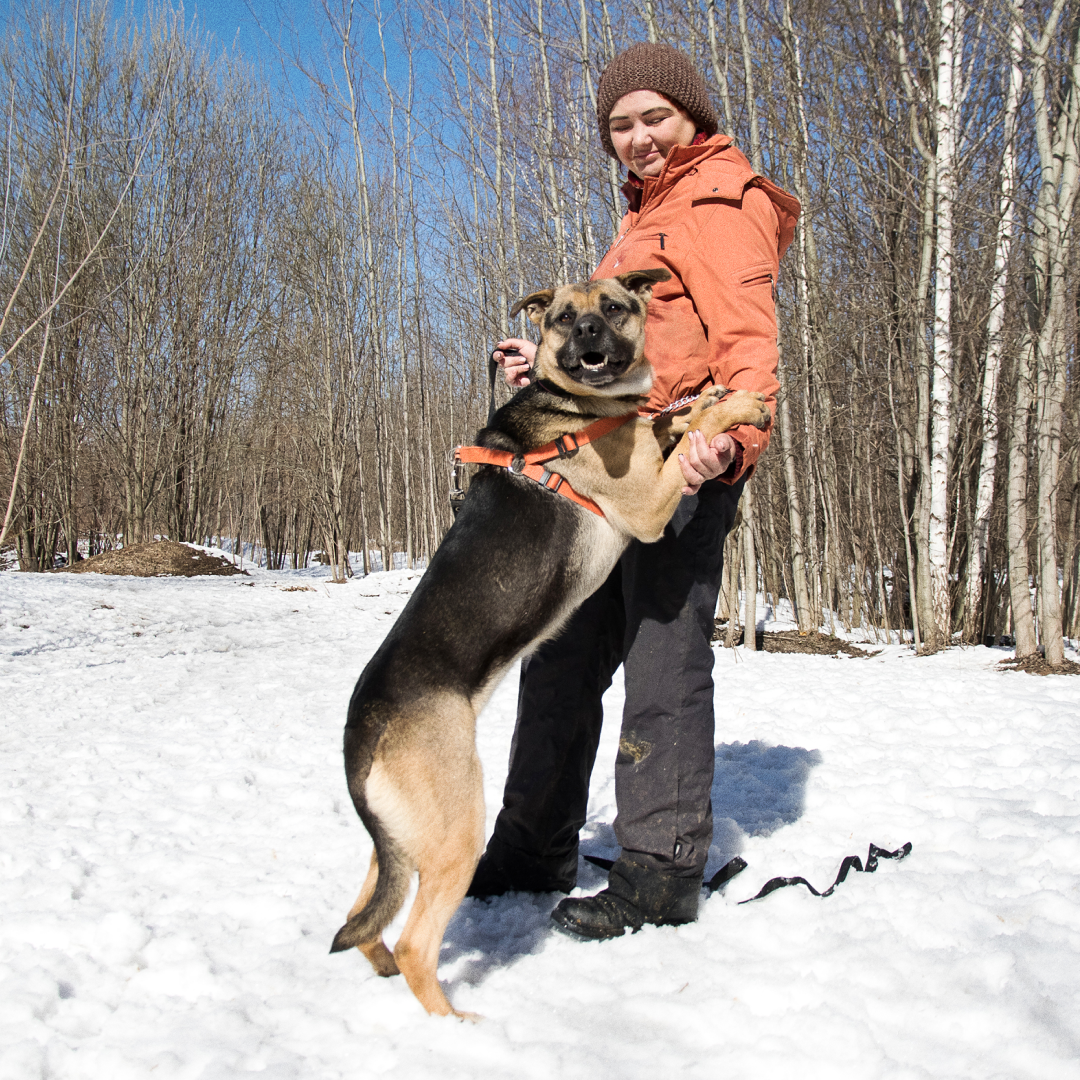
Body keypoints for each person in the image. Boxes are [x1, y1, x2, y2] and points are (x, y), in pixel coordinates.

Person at [469, 42, 800, 939]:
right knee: (563, 654)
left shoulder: (723, 200)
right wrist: (547, 372)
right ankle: (532, 845)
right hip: (611, 466)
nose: (639, 138)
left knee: (664, 658)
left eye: (654, 117)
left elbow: (749, 348)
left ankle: (660, 867)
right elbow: (634, 358)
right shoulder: (644, 217)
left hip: (681, 465)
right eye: (621, 125)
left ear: (691, 114)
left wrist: (729, 441)